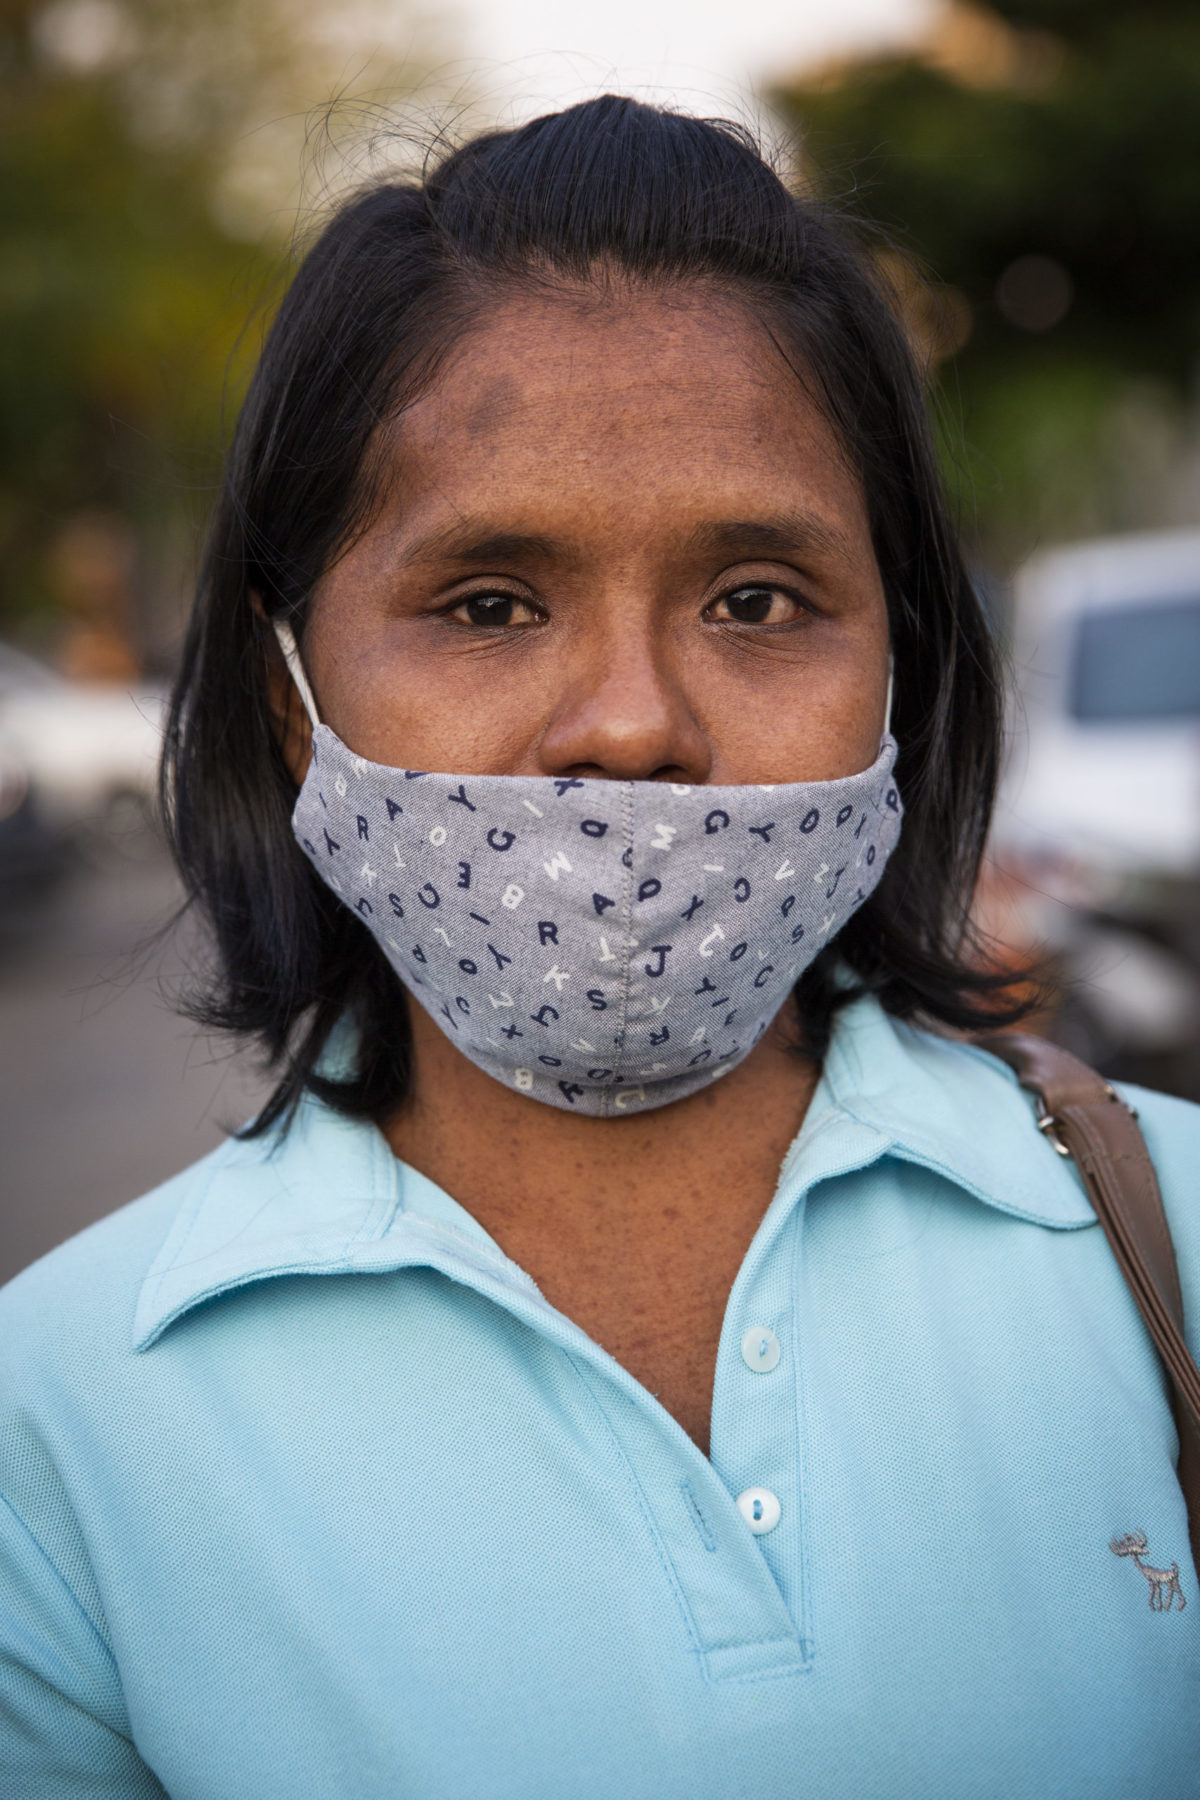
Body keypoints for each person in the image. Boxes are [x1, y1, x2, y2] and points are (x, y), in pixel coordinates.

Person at [1, 97, 1197, 1800]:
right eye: (490, 602)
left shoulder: (1166, 1245)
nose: (632, 727)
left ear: (899, 681)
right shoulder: (57, 1428)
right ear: (292, 705)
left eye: (759, 600)